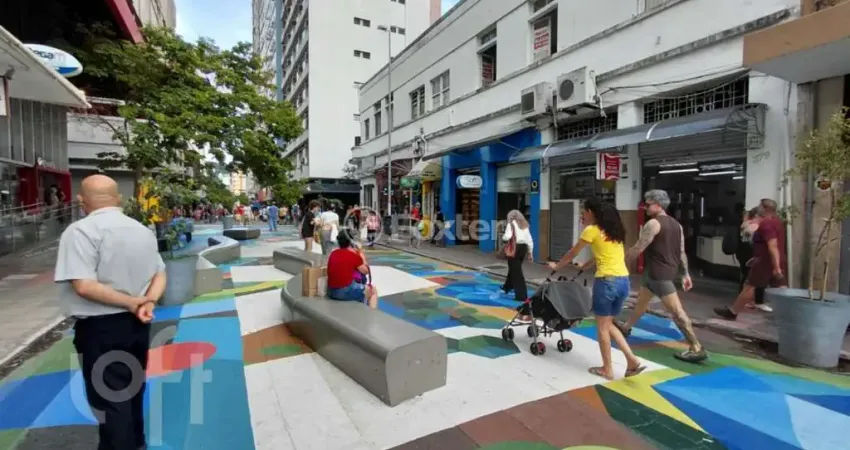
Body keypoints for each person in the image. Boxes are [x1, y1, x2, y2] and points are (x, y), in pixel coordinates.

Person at [54, 174, 166, 450]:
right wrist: (147, 302)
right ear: (119, 199)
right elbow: (160, 273)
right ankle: (136, 442)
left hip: (100, 328)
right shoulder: (142, 230)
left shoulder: (80, 231)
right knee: (132, 389)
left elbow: (83, 285)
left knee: (109, 399)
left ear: (81, 200)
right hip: (137, 324)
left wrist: (131, 303)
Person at [548, 198, 645, 380]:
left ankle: (607, 369)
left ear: (592, 212)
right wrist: (585, 265)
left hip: (606, 282)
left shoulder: (591, 230)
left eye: (584, 211)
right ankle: (632, 360)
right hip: (623, 282)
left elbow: (572, 252)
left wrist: (557, 266)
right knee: (608, 324)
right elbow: (604, 253)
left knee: (601, 327)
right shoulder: (614, 232)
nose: (582, 215)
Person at [618, 190, 707, 363]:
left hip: (659, 274)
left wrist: (621, 266)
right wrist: (686, 273)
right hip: (657, 273)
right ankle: (627, 327)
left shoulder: (653, 224)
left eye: (648, 204)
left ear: (658, 205)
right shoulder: (677, 225)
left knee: (676, 311)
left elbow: (638, 247)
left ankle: (696, 346)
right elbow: (681, 251)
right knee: (641, 303)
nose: (645, 207)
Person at [715, 198, 786, 319]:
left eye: (760, 206)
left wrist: (776, 266)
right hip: (772, 259)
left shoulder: (766, 224)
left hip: (765, 261)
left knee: (750, 286)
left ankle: (733, 312)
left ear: (765, 208)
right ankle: (789, 314)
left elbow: (772, 245)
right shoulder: (777, 222)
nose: (758, 207)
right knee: (781, 286)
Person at [327, 232, 379, 308]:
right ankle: (372, 315)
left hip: (331, 291)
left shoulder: (333, 253)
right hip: (343, 292)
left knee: (356, 286)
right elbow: (365, 271)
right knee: (373, 291)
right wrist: (360, 252)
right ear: (351, 242)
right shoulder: (353, 255)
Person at [498, 210, 534, 302]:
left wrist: (503, 237)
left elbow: (507, 236)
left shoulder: (511, 224)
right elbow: (529, 240)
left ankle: (522, 296)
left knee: (517, 272)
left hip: (514, 248)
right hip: (523, 249)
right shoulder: (525, 224)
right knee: (514, 268)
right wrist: (530, 252)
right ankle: (507, 286)